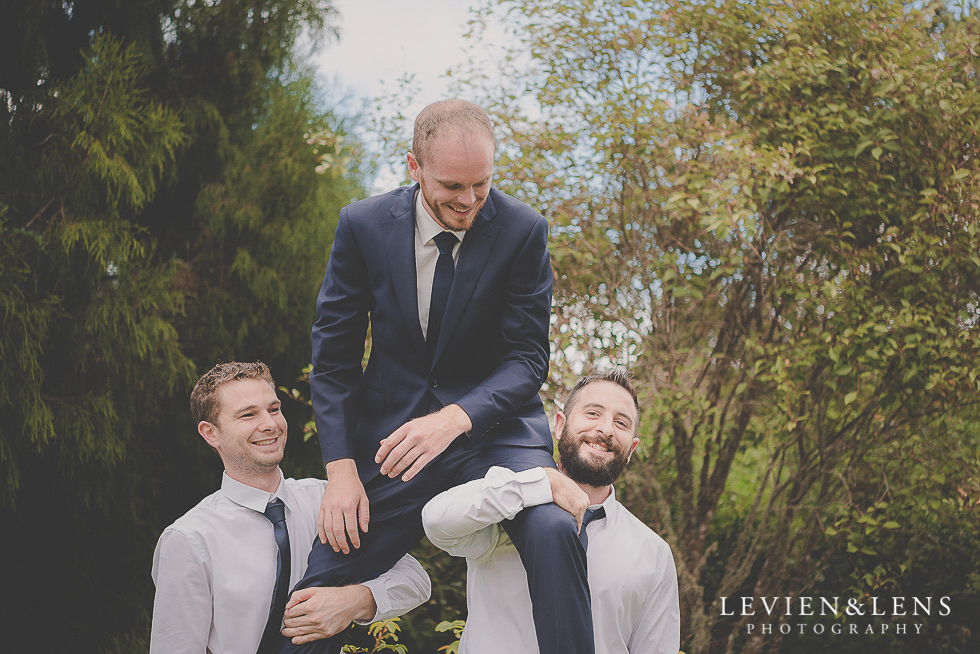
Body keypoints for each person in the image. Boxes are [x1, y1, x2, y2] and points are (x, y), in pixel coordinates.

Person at [285, 99, 594, 654]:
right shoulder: (363, 226)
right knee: (312, 603)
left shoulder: (524, 231)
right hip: (395, 445)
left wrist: (454, 418)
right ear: (414, 167)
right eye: (453, 185)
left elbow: (527, 359)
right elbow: (333, 363)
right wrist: (341, 470)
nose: (471, 201)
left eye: (482, 183)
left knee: (552, 532)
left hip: (496, 432)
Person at [150, 362, 431, 654]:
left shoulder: (329, 499)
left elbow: (415, 579)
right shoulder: (189, 539)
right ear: (211, 433)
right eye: (248, 414)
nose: (270, 424)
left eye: (274, 409)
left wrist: (352, 601)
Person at [422, 369, 681, 653]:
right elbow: (435, 520)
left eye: (621, 422)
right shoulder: (504, 505)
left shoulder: (653, 554)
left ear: (631, 449)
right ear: (559, 425)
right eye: (593, 413)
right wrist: (540, 484)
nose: (606, 429)